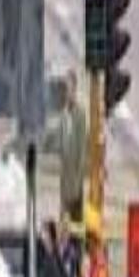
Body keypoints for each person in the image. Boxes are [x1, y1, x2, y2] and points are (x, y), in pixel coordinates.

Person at [53, 70, 87, 227]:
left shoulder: (80, 114)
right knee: (64, 219)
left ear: (75, 89)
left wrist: (78, 179)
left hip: (75, 179)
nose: (67, 92)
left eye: (69, 88)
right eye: (65, 88)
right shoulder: (63, 113)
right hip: (65, 176)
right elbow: (59, 141)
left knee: (75, 220)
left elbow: (82, 149)